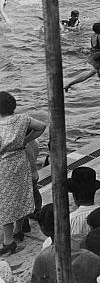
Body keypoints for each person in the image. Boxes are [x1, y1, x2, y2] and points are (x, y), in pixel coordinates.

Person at [0, 91, 46, 254]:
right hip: (21, 161)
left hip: (4, 165)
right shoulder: (23, 119)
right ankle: (18, 231)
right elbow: (41, 127)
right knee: (21, 195)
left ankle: (8, 241)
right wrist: (24, 141)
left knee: (4, 201)